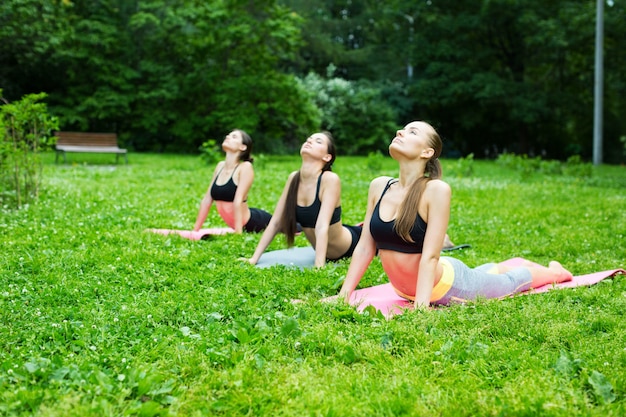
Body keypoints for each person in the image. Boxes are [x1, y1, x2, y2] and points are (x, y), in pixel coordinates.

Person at [338, 121, 572, 307]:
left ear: (427, 151)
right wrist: (343, 297)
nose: (400, 131)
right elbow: (365, 248)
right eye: (403, 128)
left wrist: (420, 309)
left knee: (510, 282)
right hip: (404, 290)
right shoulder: (379, 186)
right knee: (483, 273)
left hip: (448, 285)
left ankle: (555, 272)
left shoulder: (436, 190)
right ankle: (500, 266)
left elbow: (430, 256)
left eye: (412, 131)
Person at [246, 131, 362, 268]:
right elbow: (275, 222)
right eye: (309, 139)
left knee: (382, 239)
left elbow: (322, 225)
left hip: (352, 245)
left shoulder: (329, 179)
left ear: (327, 157)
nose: (310, 141)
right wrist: (254, 259)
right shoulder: (294, 178)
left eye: (318, 141)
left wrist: (319, 266)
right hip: (327, 251)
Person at [193, 129, 271, 234]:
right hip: (241, 221)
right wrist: (195, 231)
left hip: (255, 221)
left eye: (234, 137)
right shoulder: (220, 166)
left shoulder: (245, 167)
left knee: (294, 228)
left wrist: (238, 232)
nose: (228, 137)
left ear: (242, 147)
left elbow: (238, 200)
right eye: (228, 135)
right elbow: (207, 200)